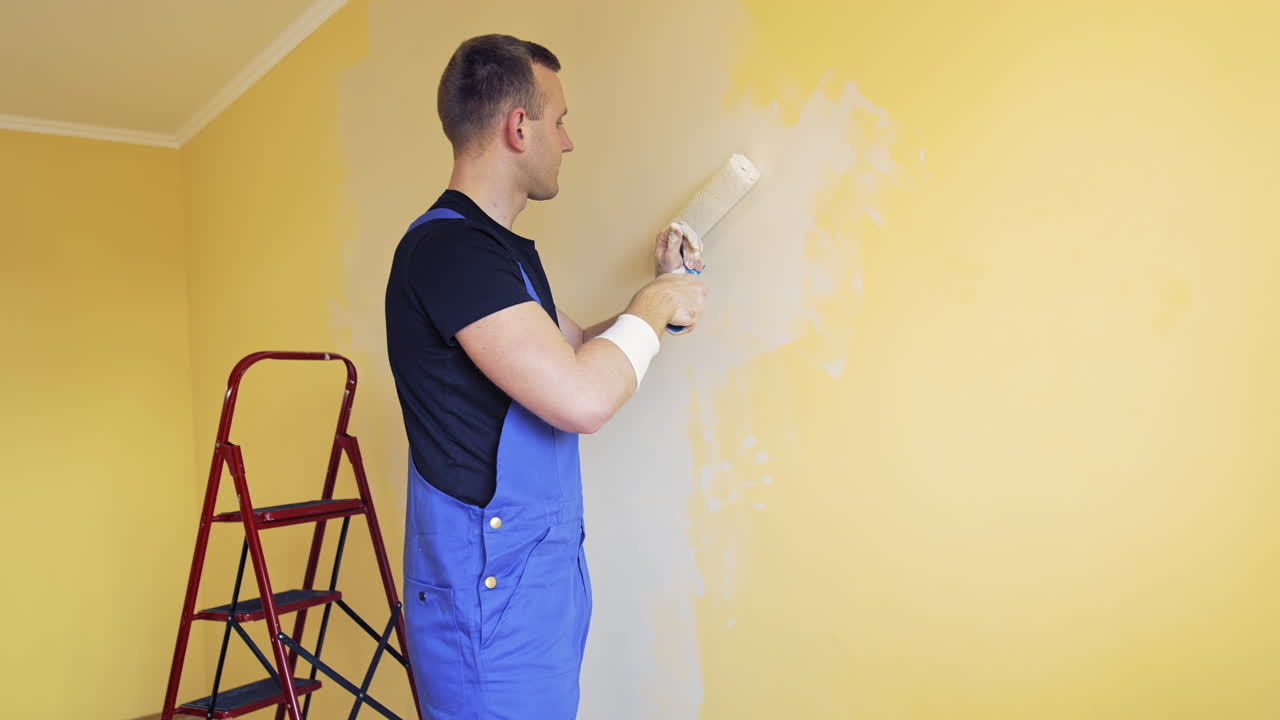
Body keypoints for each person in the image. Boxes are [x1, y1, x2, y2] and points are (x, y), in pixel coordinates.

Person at [384, 34, 707, 720]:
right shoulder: (450, 251)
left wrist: (661, 293)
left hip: (529, 586)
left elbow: (579, 349)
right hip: (488, 603)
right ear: (518, 125)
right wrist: (652, 310)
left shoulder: (494, 254)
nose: (567, 142)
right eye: (559, 120)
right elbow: (582, 399)